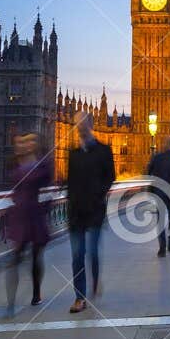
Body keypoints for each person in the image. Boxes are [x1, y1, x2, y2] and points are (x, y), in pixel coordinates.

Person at [65, 112, 115, 312]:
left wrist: (97, 194)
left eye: (83, 124)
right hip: (76, 212)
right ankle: (79, 297)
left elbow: (111, 177)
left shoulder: (104, 151)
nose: (80, 127)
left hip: (95, 210)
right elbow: (69, 182)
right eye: (77, 124)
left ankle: (94, 279)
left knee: (92, 252)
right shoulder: (73, 154)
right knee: (77, 255)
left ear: (91, 126)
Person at [3, 132, 50, 314]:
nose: (26, 144)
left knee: (36, 257)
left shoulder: (42, 164)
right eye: (22, 142)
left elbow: (48, 181)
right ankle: (11, 303)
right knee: (14, 259)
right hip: (20, 216)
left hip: (36, 214)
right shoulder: (13, 163)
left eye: (30, 141)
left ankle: (36, 293)